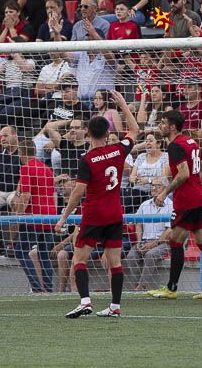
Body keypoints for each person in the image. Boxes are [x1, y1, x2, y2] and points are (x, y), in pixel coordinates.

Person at [55, 89, 140, 319]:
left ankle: (85, 301)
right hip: (115, 213)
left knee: (79, 259)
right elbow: (135, 130)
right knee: (114, 262)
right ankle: (115, 305)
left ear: (88, 133)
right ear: (108, 132)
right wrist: (122, 104)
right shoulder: (118, 150)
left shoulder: (87, 159)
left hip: (93, 214)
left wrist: (64, 216)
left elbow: (78, 191)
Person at [146, 108, 202, 300]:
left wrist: (163, 193)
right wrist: (195, 185)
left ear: (172, 126)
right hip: (201, 198)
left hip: (186, 201)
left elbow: (184, 173)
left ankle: (172, 288)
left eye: (163, 123)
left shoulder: (175, 146)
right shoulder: (191, 141)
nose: (160, 126)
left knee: (175, 243)